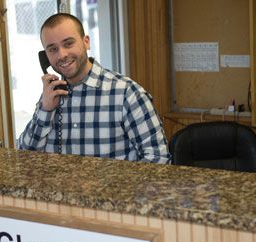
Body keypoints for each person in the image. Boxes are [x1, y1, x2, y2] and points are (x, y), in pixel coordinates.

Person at [18, 13, 170, 164]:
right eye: (52, 49)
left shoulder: (126, 93)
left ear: (86, 42)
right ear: (45, 56)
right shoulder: (51, 95)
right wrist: (45, 110)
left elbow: (158, 159)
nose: (62, 54)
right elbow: (23, 157)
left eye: (68, 43)